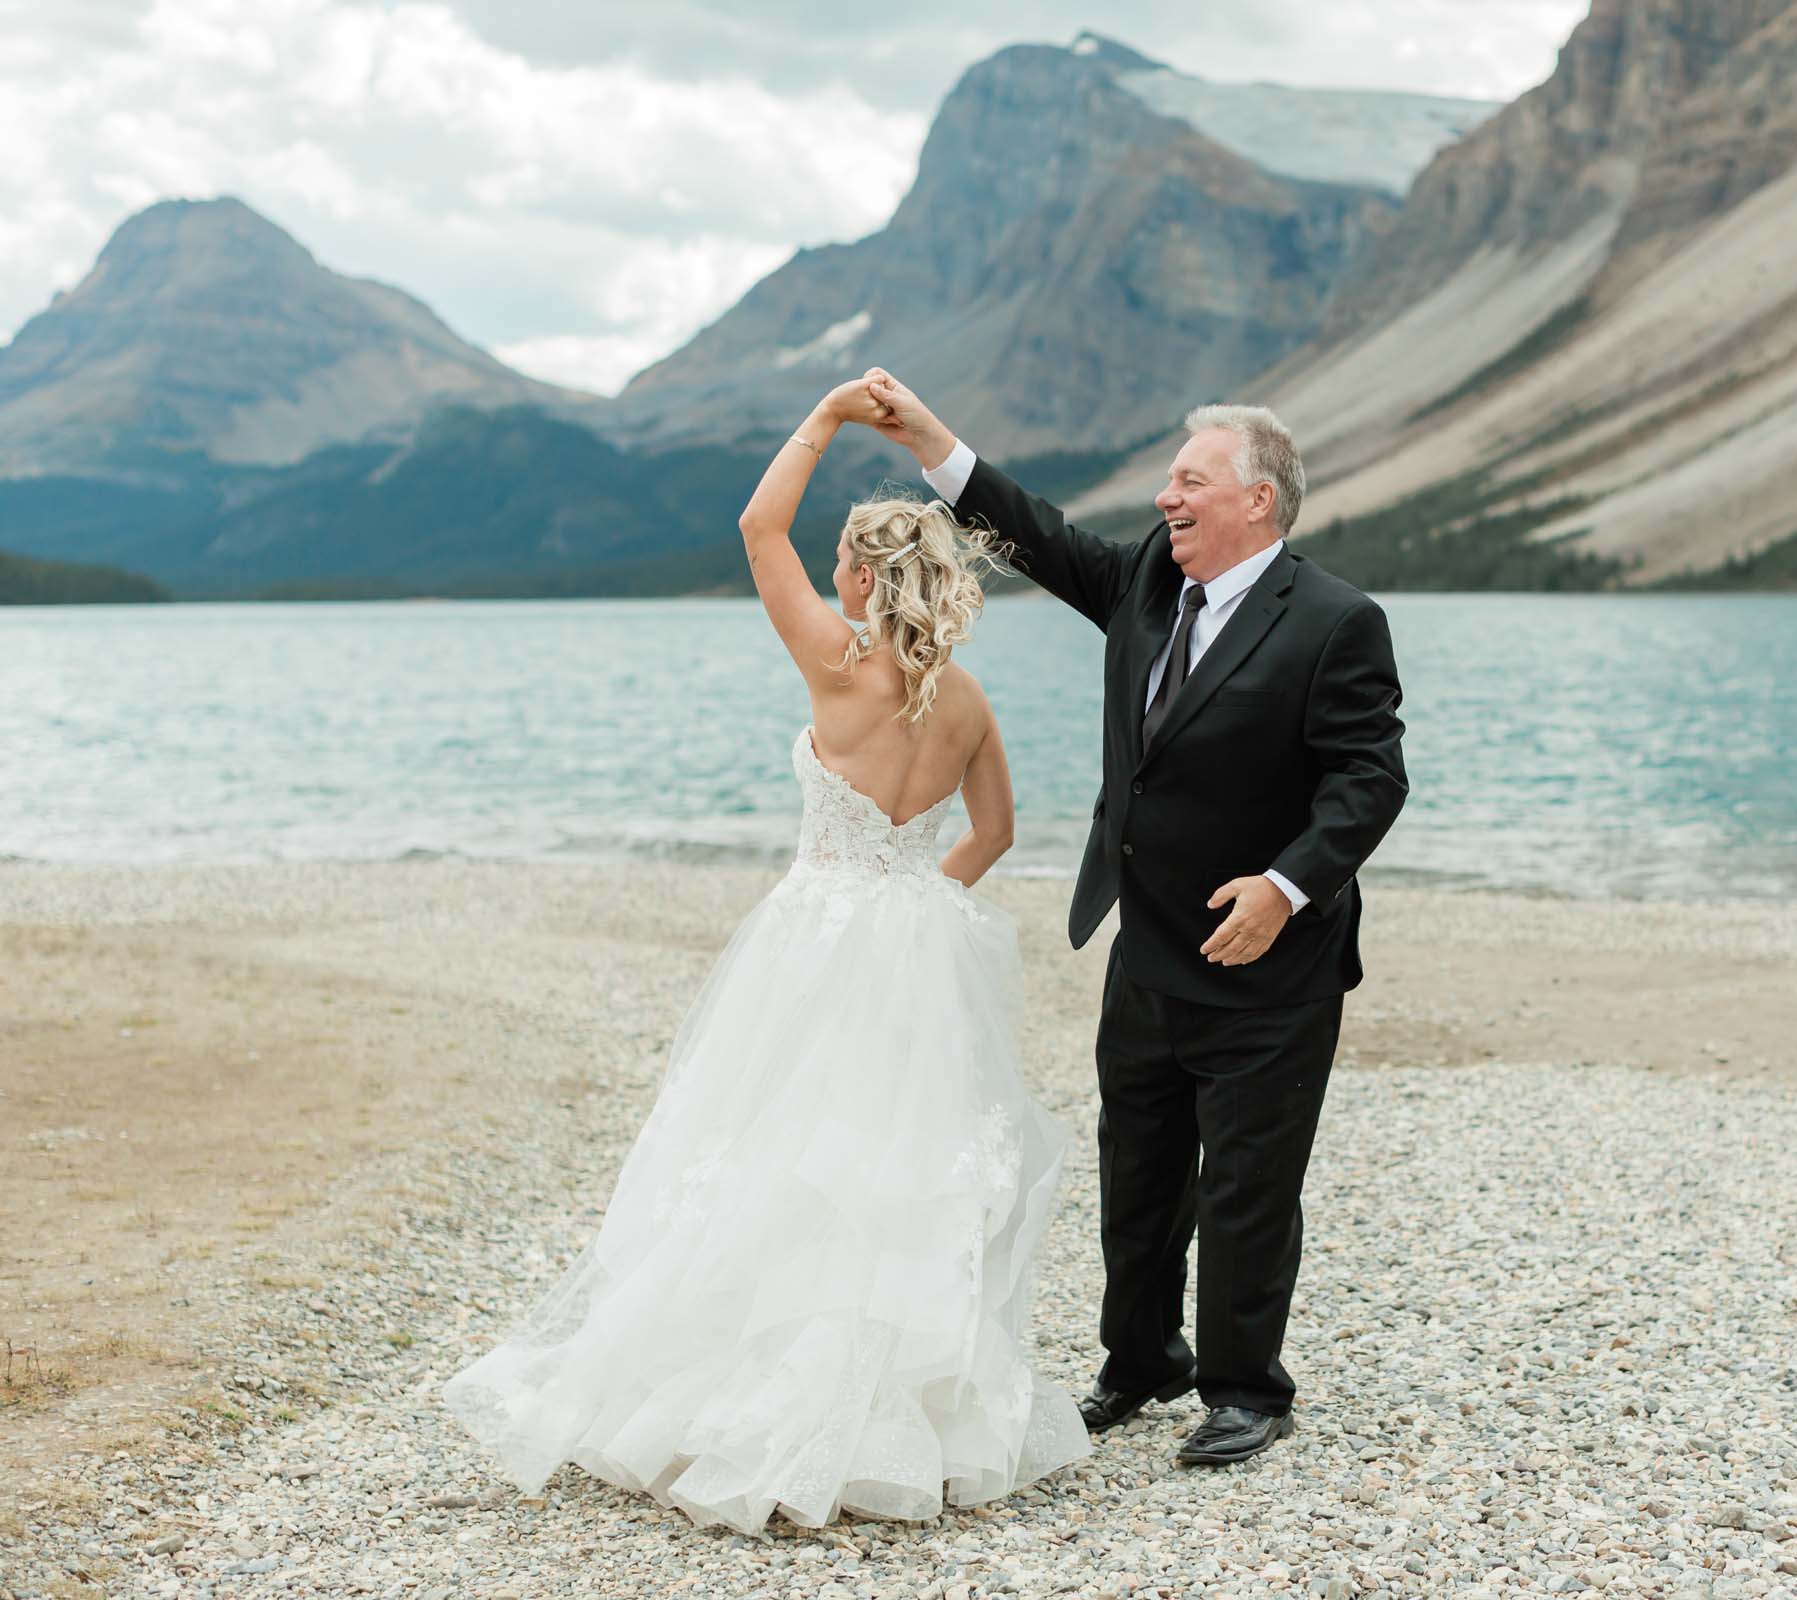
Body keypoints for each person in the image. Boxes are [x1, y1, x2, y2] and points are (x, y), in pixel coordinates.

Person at [440, 377, 1090, 1534]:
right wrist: (911, 903)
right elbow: (993, 835)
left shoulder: (838, 663)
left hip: (814, 933)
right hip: (911, 947)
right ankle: (897, 1410)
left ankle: (748, 1389)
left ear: (858, 575)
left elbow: (754, 527)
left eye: (842, 562)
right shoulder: (969, 702)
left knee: (766, 1142)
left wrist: (828, 417)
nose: (831, 577)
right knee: (893, 1158)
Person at [860, 369, 1408, 1466]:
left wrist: (1284, 885)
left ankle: (1246, 1386)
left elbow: (1368, 778)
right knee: (1140, 1168)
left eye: (1189, 480)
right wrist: (929, 438)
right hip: (1147, 945)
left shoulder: (1337, 622)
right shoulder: (1149, 585)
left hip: (1270, 963)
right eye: (1167, 479)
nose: (1166, 497)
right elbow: (1035, 534)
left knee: (1248, 1179)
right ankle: (1139, 1358)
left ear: (1257, 498)